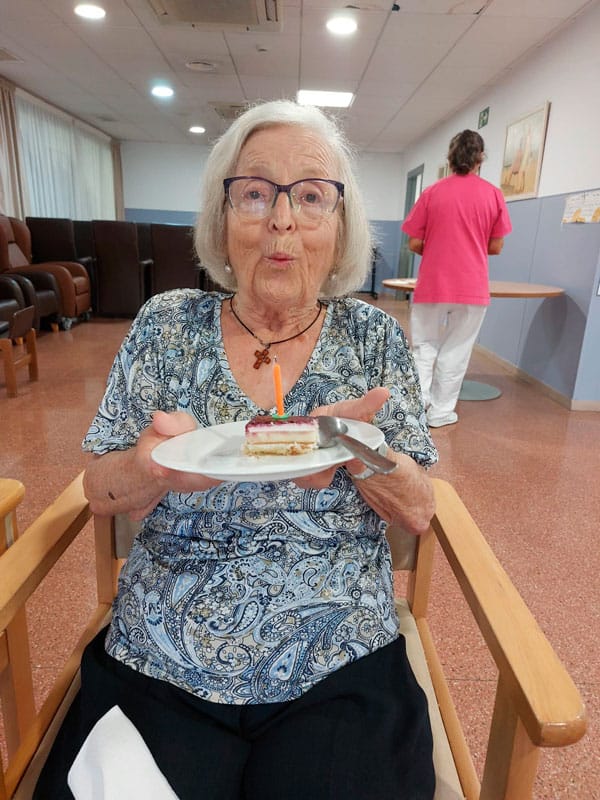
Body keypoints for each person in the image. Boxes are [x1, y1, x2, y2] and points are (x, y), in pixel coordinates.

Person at [35, 100, 439, 800]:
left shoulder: (374, 339)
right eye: (255, 193)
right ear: (222, 220)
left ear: (339, 226)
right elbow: (97, 490)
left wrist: (350, 446)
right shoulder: (165, 326)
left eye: (311, 196)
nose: (282, 220)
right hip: (161, 660)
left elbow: (420, 510)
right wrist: (150, 468)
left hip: (338, 665)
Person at [402, 129, 512, 428]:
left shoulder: (432, 193)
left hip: (433, 284)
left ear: (450, 158)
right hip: (471, 287)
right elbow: (496, 246)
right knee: (457, 350)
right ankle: (440, 413)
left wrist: (438, 248)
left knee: (424, 347)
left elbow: (413, 243)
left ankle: (416, 409)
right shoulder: (493, 195)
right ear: (481, 158)